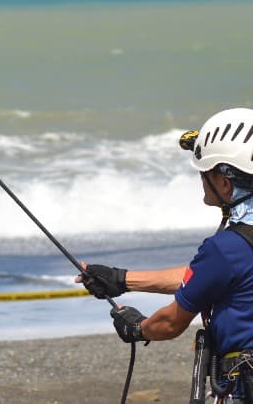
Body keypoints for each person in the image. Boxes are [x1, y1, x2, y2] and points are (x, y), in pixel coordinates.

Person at [79, 108, 253, 401]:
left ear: (225, 183)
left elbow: (171, 323)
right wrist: (122, 279)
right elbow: (208, 277)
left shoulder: (225, 249)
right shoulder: (229, 253)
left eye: (204, 173)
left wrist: (137, 328)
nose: (201, 180)